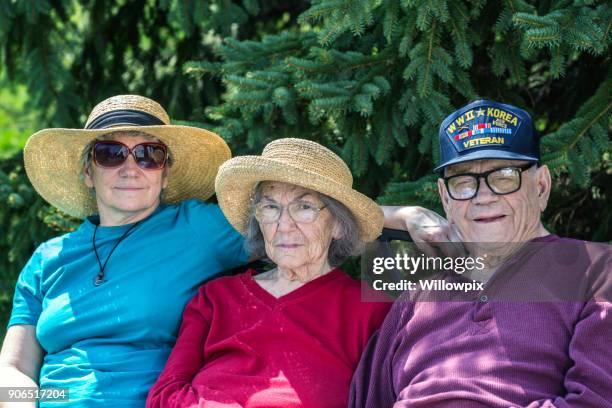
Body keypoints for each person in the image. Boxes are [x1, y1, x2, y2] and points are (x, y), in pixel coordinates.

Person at [0, 95, 444, 407]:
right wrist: (42, 400)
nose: (131, 167)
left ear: (166, 172)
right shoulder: (47, 259)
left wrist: (403, 216)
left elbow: (303, 218)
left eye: (149, 154)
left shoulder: (199, 228)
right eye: (111, 153)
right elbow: (14, 370)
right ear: (87, 170)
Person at [350, 100, 612, 407]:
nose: (483, 197)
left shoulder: (595, 271)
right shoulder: (419, 297)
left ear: (541, 186)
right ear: (445, 198)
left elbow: (596, 400)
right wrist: (398, 216)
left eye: (503, 177)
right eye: (463, 182)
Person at [146, 138, 391, 407]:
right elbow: (164, 396)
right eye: (270, 207)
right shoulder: (215, 298)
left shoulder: (370, 309)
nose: (284, 225)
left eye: (304, 207)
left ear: (338, 226)